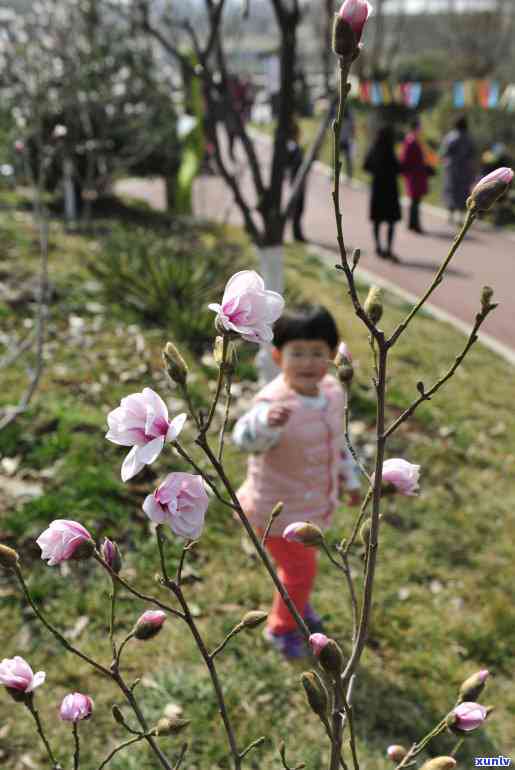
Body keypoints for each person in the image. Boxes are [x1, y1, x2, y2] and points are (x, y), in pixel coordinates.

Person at [233, 305, 361, 659]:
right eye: (297, 353)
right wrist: (265, 424)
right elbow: (244, 439)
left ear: (332, 356)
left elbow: (339, 444)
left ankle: (296, 604)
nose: (308, 362)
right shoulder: (273, 403)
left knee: (297, 570)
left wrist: (349, 481)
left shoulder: (332, 394)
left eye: (318, 353)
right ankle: (282, 628)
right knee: (299, 571)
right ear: (278, 356)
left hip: (310, 508)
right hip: (274, 513)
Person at [363, 125, 402, 261]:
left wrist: (376, 171)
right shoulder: (391, 151)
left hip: (378, 188)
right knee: (391, 221)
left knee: (377, 220)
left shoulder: (374, 149)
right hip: (390, 190)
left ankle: (378, 246)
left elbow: (365, 166)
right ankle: (389, 248)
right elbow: (398, 169)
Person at [440, 116, 476, 225]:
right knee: (463, 192)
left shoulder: (450, 137)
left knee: (451, 190)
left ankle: (450, 215)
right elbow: (472, 154)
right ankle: (460, 217)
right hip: (465, 169)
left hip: (452, 169)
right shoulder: (469, 138)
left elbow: (444, 152)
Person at [400, 117, 431, 234]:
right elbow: (406, 159)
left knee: (415, 200)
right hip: (414, 175)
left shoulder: (412, 140)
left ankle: (413, 224)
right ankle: (414, 224)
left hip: (416, 174)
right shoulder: (411, 141)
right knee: (415, 201)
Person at [286, 119, 307, 242]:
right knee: (297, 207)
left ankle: (297, 232)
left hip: (298, 180)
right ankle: (296, 233)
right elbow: (292, 164)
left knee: (299, 207)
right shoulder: (292, 148)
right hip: (296, 180)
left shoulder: (294, 147)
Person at [339, 105, 355, 181]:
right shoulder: (339, 116)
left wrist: (352, 137)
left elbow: (352, 128)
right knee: (336, 158)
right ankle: (334, 173)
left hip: (346, 140)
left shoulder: (349, 117)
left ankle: (349, 175)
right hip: (340, 140)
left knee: (348, 159)